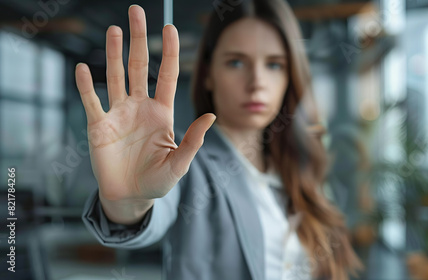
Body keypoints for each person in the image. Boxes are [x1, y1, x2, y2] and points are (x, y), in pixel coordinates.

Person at [78, 1, 362, 279]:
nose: (257, 82)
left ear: (290, 75)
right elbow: (152, 211)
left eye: (274, 65)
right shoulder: (181, 160)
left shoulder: (298, 166)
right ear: (208, 75)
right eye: (236, 62)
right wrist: (130, 201)